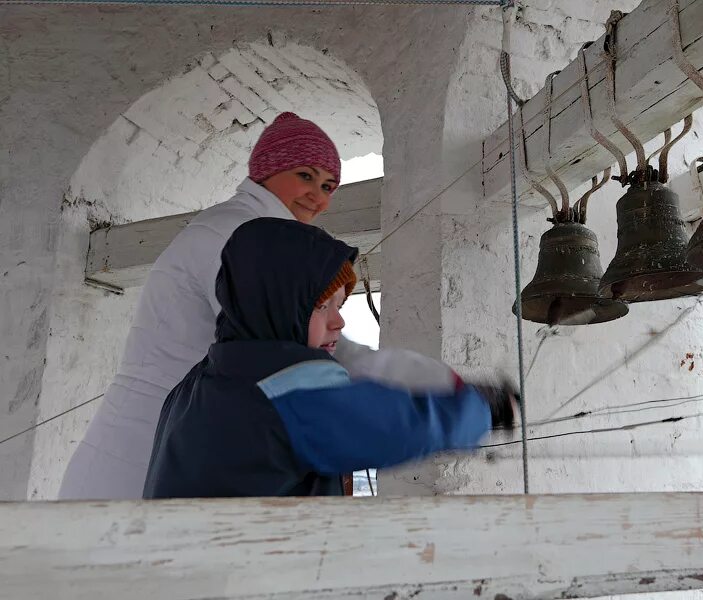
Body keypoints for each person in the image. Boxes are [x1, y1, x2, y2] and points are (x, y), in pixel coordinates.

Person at [60, 112, 455, 499]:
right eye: (305, 175)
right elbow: (293, 351)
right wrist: (430, 388)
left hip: (170, 456)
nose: (317, 195)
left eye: (330, 186)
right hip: (136, 462)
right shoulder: (239, 237)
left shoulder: (250, 235)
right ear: (267, 170)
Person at [143, 218, 517, 498]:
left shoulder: (193, 386)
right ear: (276, 304)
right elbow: (393, 426)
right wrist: (478, 409)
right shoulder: (286, 389)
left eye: (340, 305)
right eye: (322, 306)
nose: (339, 322)